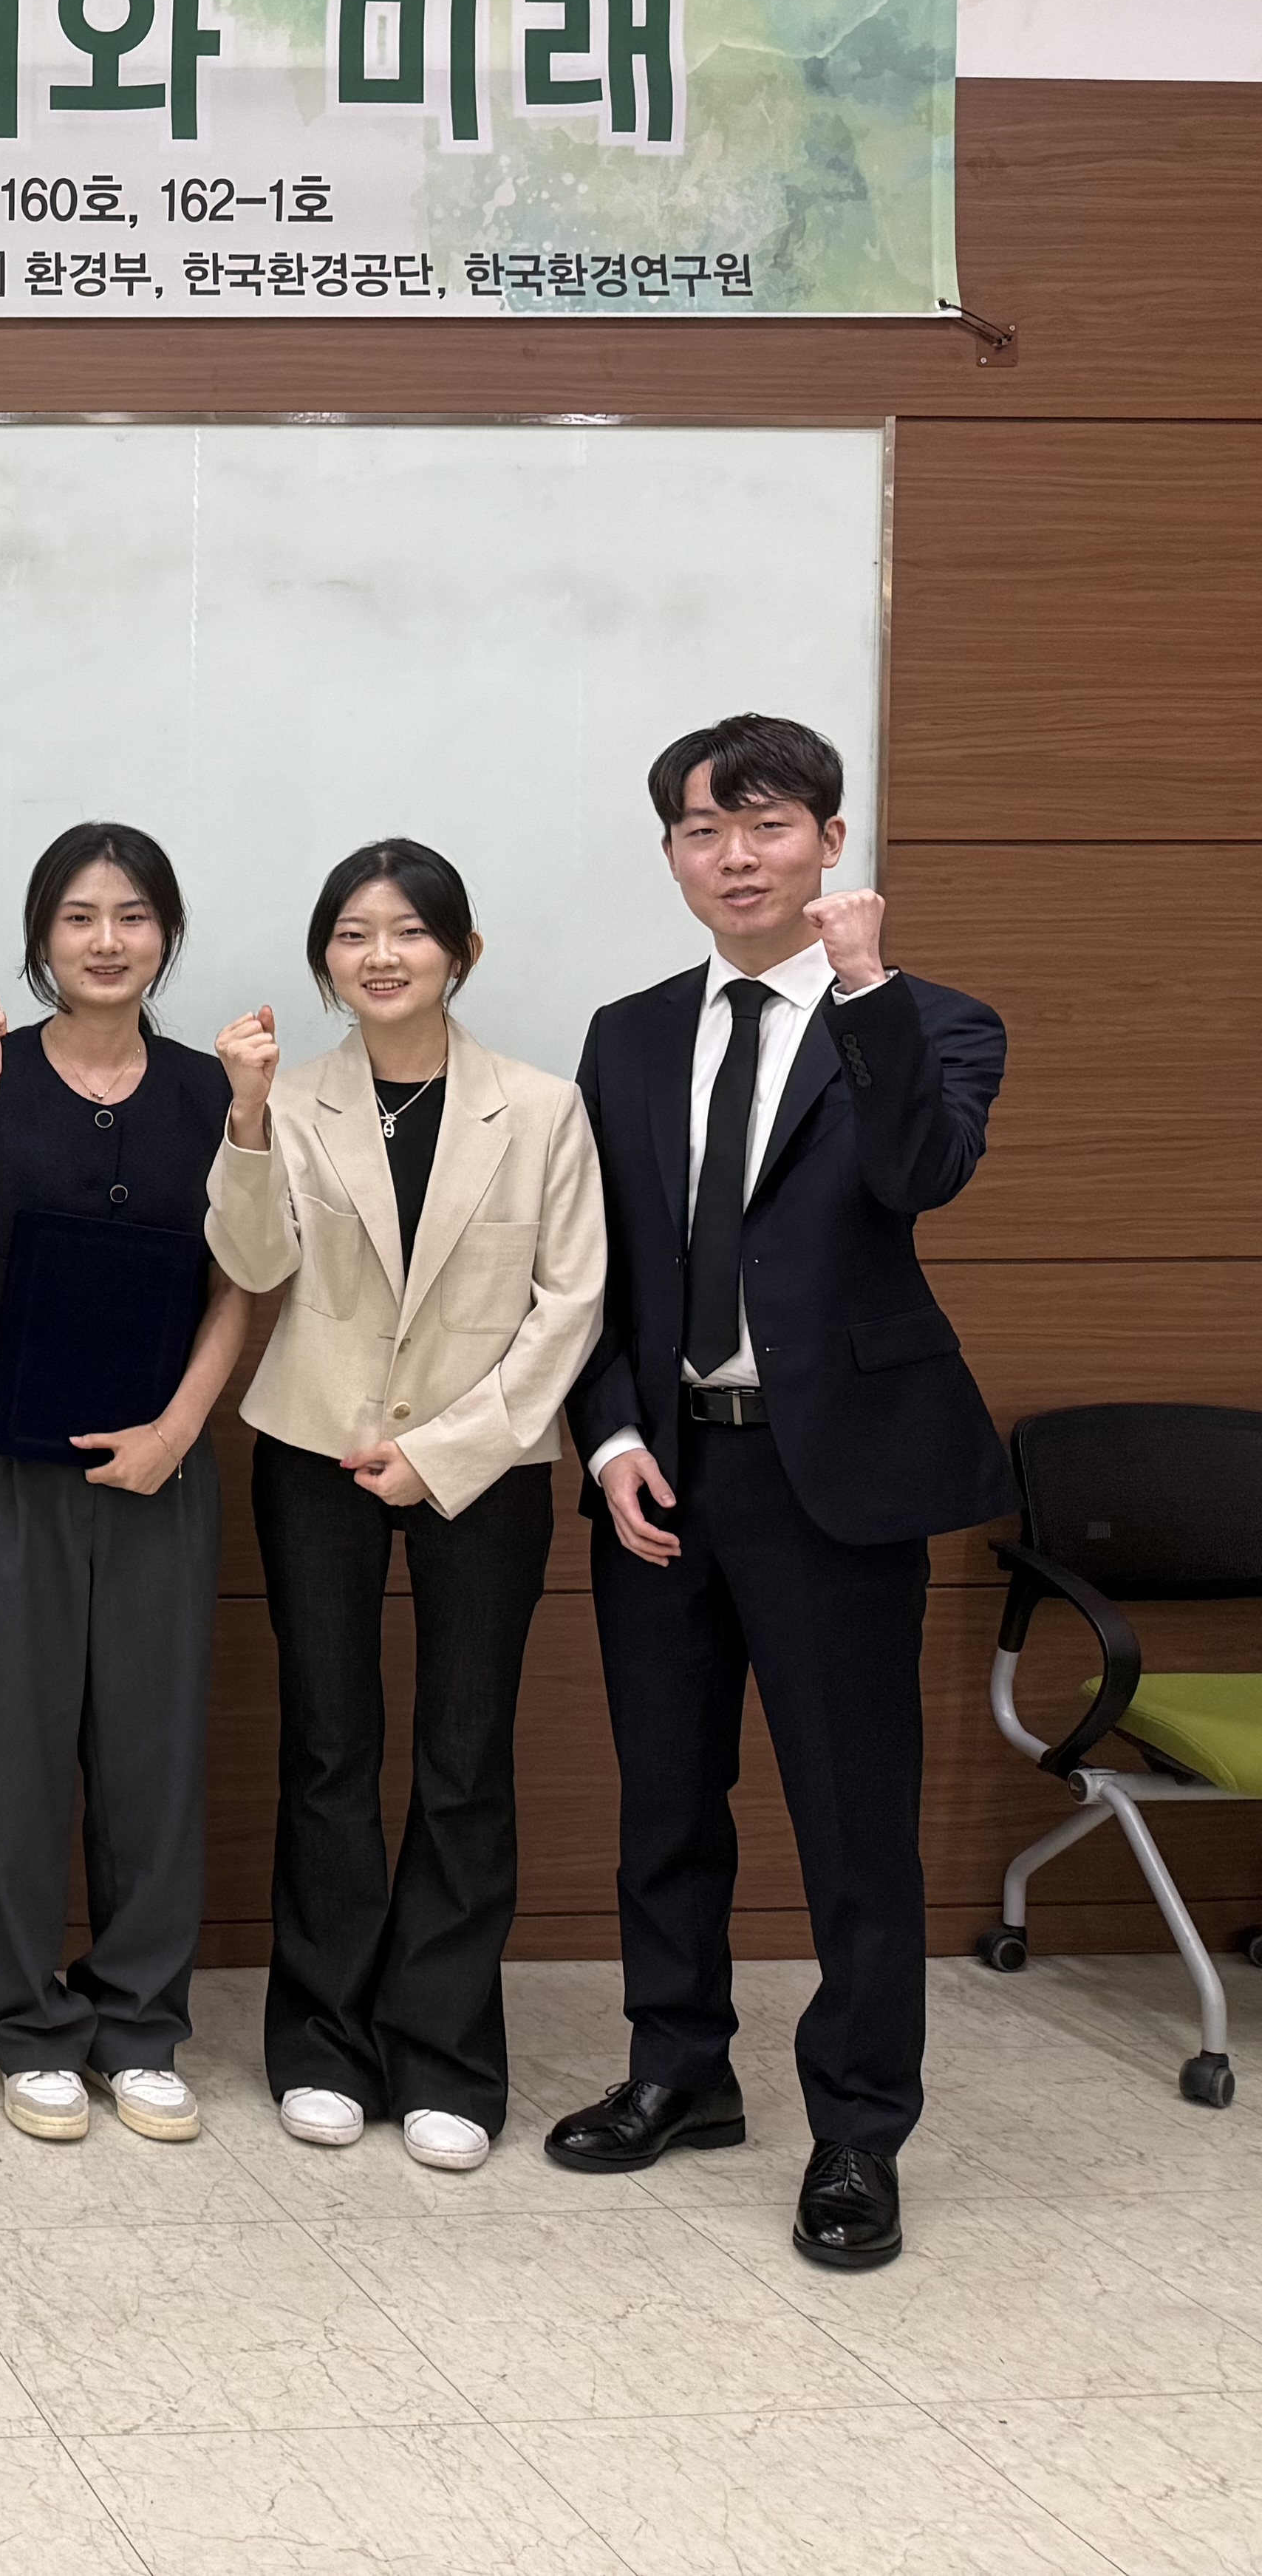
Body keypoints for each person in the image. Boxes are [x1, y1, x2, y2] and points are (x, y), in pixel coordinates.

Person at [548, 715, 1007, 2272]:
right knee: (666, 1799)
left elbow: (920, 1176)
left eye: (767, 826)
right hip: (666, 1467)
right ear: (672, 854)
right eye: (703, 830)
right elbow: (597, 1270)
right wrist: (610, 1437)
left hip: (838, 1481)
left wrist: (865, 991)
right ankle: (679, 2071)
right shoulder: (625, 1036)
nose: (735, 858)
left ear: (829, 840)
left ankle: (860, 2130)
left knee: (852, 1821)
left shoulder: (930, 1020)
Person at [208, 843, 606, 2175]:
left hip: (484, 1463)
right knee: (327, 1748)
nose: (380, 956)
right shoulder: (291, 1099)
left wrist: (447, 1452)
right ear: (326, 958)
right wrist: (246, 1121)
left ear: (460, 952)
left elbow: (571, 1304)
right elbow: (252, 1261)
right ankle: (324, 2045)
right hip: (312, 1443)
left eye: (409, 932)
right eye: (352, 934)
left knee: (464, 1757)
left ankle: (445, 2057)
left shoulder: (540, 1107)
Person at [0, 822, 253, 2149]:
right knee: (12, 1747)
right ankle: (30, 2026)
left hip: (162, 1455)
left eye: (132, 916)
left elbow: (243, 1280)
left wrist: (180, 1427)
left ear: (166, 934)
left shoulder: (209, 1090)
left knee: (154, 1748)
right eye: (77, 918)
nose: (106, 941)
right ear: (41, 938)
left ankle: (141, 2025)